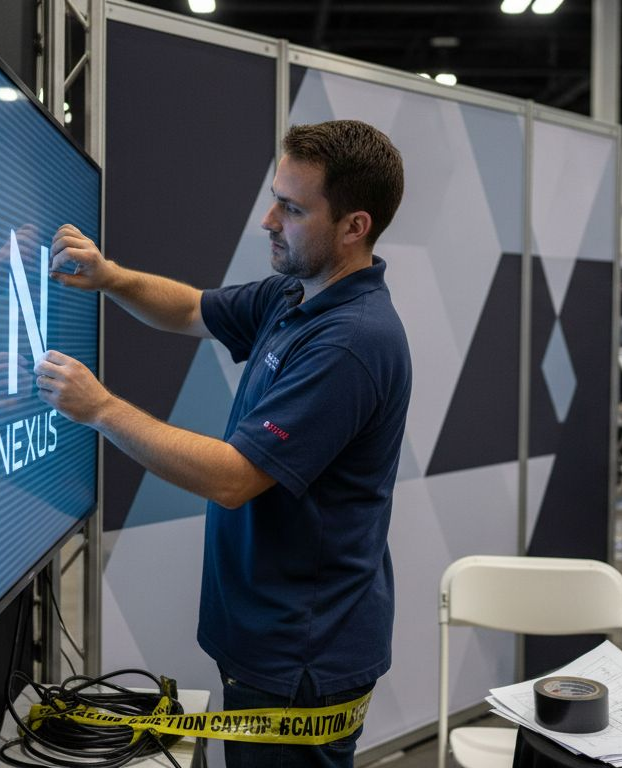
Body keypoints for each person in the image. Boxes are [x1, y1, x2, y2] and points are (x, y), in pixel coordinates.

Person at [36, 120, 410, 768]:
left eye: (292, 209)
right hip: (269, 639)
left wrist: (100, 408)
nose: (268, 220)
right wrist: (109, 276)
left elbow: (234, 478)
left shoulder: (351, 342)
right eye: (275, 197)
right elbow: (190, 310)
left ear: (354, 226)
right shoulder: (298, 293)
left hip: (301, 658)